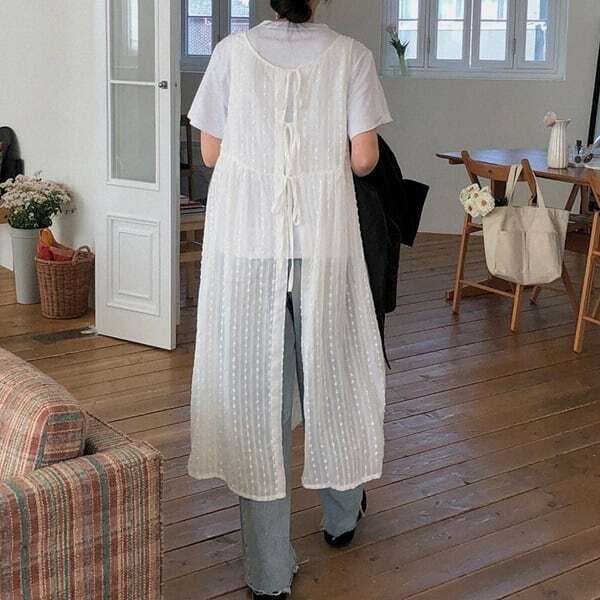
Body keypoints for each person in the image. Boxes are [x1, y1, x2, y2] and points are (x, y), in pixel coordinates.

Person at [187, 1, 393, 597]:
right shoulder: (351, 56)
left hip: (247, 245)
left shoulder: (231, 54)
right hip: (324, 243)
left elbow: (210, 154)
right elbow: (364, 159)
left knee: (257, 395)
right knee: (336, 370)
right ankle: (341, 516)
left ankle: (269, 571)